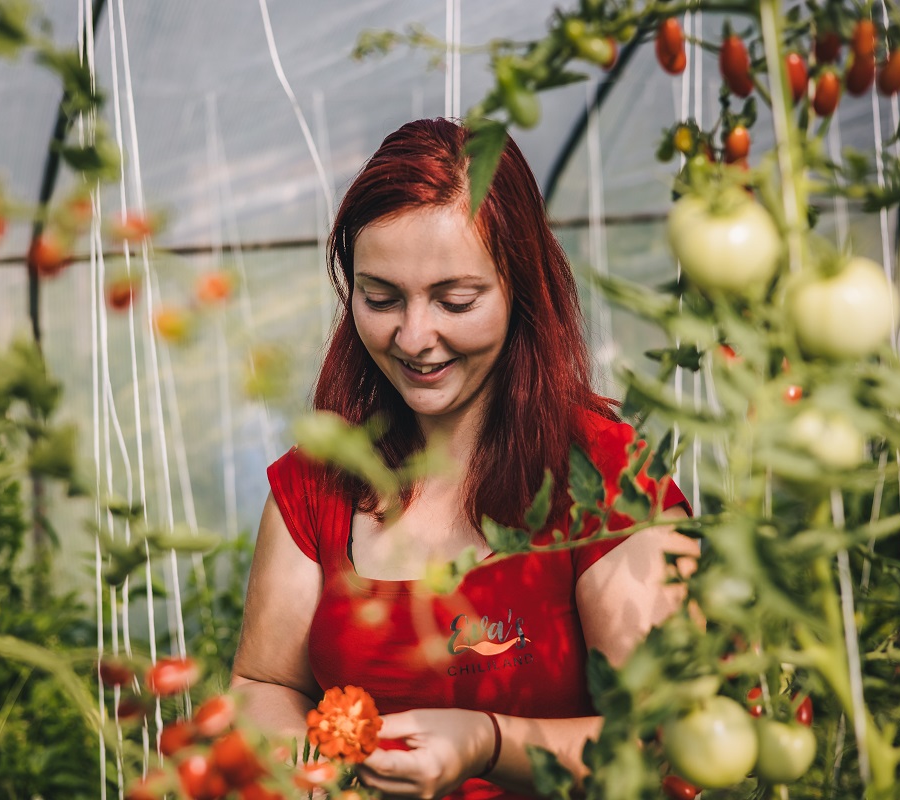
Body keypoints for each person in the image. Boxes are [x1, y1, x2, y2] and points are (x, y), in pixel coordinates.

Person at [230, 118, 697, 800]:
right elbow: (265, 684)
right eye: (380, 298)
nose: (415, 337)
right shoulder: (317, 484)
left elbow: (671, 737)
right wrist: (316, 771)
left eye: (456, 300)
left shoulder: (608, 478)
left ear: (522, 288)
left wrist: (490, 742)